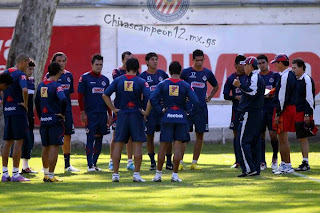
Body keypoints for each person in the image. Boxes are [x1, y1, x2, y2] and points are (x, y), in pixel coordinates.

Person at [147, 61, 199, 182]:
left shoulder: (163, 84)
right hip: (181, 118)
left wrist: (160, 110)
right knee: (177, 146)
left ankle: (158, 175)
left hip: (167, 117)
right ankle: (174, 175)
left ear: (169, 72)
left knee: (163, 146)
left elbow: (152, 98)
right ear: (180, 71)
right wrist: (189, 114)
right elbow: (196, 101)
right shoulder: (185, 85)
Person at [103, 58, 150, 182]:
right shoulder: (141, 81)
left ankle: (115, 175)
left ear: (126, 68)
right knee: (137, 145)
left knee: (118, 144)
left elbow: (105, 95)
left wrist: (114, 109)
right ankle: (136, 175)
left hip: (122, 115)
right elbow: (150, 97)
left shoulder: (118, 80)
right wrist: (146, 112)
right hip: (136, 114)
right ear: (138, 68)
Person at [180, 49, 219, 170]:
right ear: (193, 60)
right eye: (197, 60)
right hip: (187, 108)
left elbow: (216, 86)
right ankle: (180, 162)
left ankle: (194, 162)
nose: (199, 63)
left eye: (201, 60)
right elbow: (179, 85)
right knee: (183, 135)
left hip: (201, 108)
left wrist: (210, 97)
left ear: (204, 60)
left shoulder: (207, 73)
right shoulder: (186, 72)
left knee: (200, 135)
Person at [139, 52, 173, 171]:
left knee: (167, 136)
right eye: (153, 59)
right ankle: (152, 162)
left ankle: (169, 161)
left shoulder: (162, 74)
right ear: (147, 62)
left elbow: (170, 88)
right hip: (150, 112)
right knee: (150, 136)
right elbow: (139, 95)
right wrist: (143, 112)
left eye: (156, 59)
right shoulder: (142, 76)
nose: (155, 61)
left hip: (162, 111)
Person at [46, 52, 79, 172]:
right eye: (58, 61)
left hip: (67, 110)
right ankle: (47, 166)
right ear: (54, 62)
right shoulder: (48, 76)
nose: (61, 63)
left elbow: (68, 94)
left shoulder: (69, 75)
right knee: (51, 137)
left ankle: (67, 165)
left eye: (63, 61)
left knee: (67, 135)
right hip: (54, 111)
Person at [78, 54, 111, 172]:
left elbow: (107, 99)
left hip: (102, 114)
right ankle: (89, 165)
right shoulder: (85, 78)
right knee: (90, 137)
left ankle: (95, 163)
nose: (99, 67)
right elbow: (80, 97)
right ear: (92, 64)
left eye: (101, 65)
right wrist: (82, 112)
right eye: (96, 64)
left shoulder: (105, 80)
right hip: (90, 114)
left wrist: (110, 115)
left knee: (99, 138)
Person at [233, 56, 265, 177]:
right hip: (255, 113)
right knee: (254, 142)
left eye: (245, 65)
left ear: (251, 66)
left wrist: (239, 85)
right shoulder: (253, 76)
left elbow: (252, 92)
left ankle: (249, 168)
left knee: (243, 141)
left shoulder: (254, 76)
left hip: (250, 113)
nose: (243, 67)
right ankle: (255, 168)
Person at [35, 62, 66, 182]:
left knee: (45, 147)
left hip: (44, 120)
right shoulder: (56, 85)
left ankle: (46, 174)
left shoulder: (41, 85)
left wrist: (41, 116)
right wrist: (62, 114)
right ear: (58, 72)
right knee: (54, 146)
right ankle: (52, 175)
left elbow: (37, 102)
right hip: (54, 120)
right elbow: (63, 100)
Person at [1, 53, 30, 182]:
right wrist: (25, 104)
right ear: (23, 62)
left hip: (7, 111)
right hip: (18, 112)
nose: (28, 66)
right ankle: (16, 174)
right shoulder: (21, 74)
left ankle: (5, 173)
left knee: (7, 142)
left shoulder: (6, 72)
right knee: (18, 141)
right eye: (28, 63)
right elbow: (25, 90)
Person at [108, 51, 135, 171]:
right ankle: (111, 161)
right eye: (127, 59)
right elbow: (120, 84)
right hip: (119, 108)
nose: (129, 61)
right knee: (116, 135)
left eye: (131, 59)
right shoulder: (117, 72)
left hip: (132, 107)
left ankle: (130, 161)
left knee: (131, 136)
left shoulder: (135, 72)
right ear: (122, 60)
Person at [271, 54, 297, 175]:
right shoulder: (290, 74)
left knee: (282, 138)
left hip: (285, 109)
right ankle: (286, 164)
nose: (275, 66)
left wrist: (278, 113)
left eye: (276, 63)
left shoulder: (285, 76)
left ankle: (286, 165)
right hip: (288, 107)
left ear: (280, 63)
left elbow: (282, 97)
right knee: (283, 138)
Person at [292, 58, 317, 172]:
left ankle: (306, 162)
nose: (293, 70)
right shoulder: (297, 79)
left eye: (295, 68)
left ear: (301, 67)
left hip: (303, 112)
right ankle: (304, 162)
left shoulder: (306, 79)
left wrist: (307, 114)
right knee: (301, 138)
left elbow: (309, 98)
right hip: (298, 111)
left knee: (303, 137)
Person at [223, 55, 247, 169]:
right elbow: (226, 95)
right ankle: (238, 160)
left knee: (250, 134)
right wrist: (235, 98)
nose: (243, 67)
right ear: (235, 65)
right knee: (236, 134)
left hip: (249, 110)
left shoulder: (250, 77)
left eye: (244, 64)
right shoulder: (231, 78)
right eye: (240, 65)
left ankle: (252, 160)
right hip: (237, 110)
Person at [257, 54, 280, 171]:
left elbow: (279, 89)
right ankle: (262, 161)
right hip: (260, 109)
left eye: (263, 63)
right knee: (261, 134)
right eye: (259, 63)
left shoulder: (275, 76)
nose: (261, 65)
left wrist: (271, 93)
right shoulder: (256, 77)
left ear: (267, 63)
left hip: (272, 108)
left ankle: (275, 158)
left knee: (272, 134)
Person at [20, 60, 37, 173]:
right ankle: (16, 168)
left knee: (29, 138)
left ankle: (25, 166)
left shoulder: (31, 80)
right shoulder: (19, 80)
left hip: (30, 113)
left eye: (32, 69)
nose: (31, 72)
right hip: (21, 114)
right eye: (29, 69)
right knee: (20, 139)